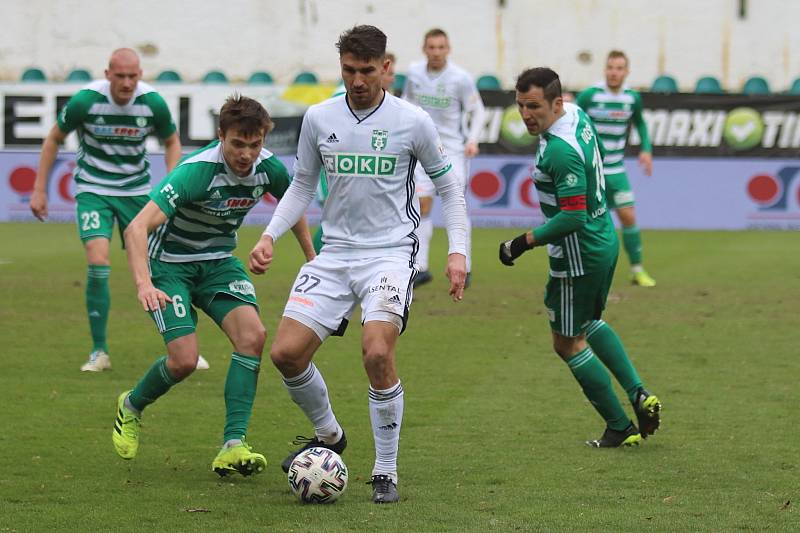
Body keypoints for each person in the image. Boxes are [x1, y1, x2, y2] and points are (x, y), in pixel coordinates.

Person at [249, 25, 468, 502]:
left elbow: (449, 187)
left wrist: (457, 251)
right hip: (336, 254)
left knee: (376, 352)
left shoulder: (413, 121)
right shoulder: (319, 117)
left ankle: (385, 468)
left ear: (385, 67)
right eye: (349, 70)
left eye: (367, 70)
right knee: (286, 354)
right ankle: (330, 436)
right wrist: (269, 235)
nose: (357, 80)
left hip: (391, 254)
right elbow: (303, 185)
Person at [111, 95, 315, 476]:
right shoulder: (196, 172)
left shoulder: (268, 167)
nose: (246, 154)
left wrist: (311, 259)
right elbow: (136, 227)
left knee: (253, 337)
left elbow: (295, 203)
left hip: (219, 264)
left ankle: (233, 445)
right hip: (170, 267)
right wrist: (143, 284)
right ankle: (132, 405)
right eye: (238, 143)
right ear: (221, 135)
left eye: (254, 145)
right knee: (185, 360)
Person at [499, 67, 661, 447]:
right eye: (521, 105)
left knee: (566, 342)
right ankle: (638, 394)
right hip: (603, 238)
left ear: (556, 102)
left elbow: (571, 216)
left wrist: (521, 242)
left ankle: (619, 427)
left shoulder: (560, 151)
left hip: (578, 255)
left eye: (534, 106)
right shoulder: (576, 115)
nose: (526, 114)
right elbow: (600, 158)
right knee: (589, 322)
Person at [29, 48, 195, 372]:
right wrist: (39, 189)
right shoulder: (85, 101)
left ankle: (185, 342)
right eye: (120, 76)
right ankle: (99, 351)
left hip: (136, 191)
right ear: (107, 75)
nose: (127, 82)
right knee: (97, 257)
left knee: (158, 267)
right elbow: (53, 139)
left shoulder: (153, 103)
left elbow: (172, 141)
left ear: (141, 75)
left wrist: (170, 184)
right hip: (94, 189)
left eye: (133, 76)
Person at [402, 28, 485, 288]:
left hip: (452, 151)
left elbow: (478, 111)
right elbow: (406, 103)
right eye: (431, 47)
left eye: (441, 47)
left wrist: (472, 139)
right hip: (423, 148)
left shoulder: (460, 78)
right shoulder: (414, 74)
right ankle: (420, 268)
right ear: (424, 49)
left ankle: (465, 265)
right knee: (420, 205)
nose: (436, 52)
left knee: (456, 206)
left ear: (448, 49)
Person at [576, 50, 656, 287]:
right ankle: (583, 270)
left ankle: (637, 270)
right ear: (605, 69)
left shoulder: (632, 98)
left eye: (619, 68)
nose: (614, 72)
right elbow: (573, 118)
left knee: (628, 215)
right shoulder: (590, 95)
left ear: (626, 72)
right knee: (585, 221)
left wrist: (646, 149)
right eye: (610, 67)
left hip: (615, 169)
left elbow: (640, 122)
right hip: (590, 170)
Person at [311, 52, 397, 254]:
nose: (392, 78)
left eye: (393, 73)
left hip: (355, 168)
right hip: (333, 170)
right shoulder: (342, 96)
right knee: (335, 218)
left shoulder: (385, 102)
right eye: (390, 74)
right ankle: (317, 260)